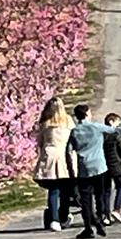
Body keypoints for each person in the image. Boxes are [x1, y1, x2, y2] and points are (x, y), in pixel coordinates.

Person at [69, 104, 121, 239]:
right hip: (99, 167)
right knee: (100, 195)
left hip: (84, 169)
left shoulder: (74, 132)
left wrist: (71, 171)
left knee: (85, 201)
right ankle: (101, 217)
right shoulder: (96, 127)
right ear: (86, 114)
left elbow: (68, 152)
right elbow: (116, 129)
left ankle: (89, 227)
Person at [33, 97, 76, 232]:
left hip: (49, 157)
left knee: (53, 190)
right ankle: (63, 215)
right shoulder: (68, 121)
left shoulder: (45, 124)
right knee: (65, 190)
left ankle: (54, 219)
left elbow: (39, 143)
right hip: (64, 156)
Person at [102, 113, 121, 224]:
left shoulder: (101, 134)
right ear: (111, 122)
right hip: (116, 165)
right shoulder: (116, 133)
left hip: (104, 165)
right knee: (120, 187)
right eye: (118, 122)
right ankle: (116, 209)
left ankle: (105, 214)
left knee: (106, 190)